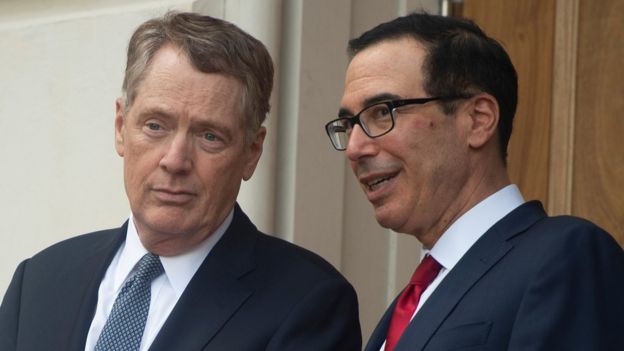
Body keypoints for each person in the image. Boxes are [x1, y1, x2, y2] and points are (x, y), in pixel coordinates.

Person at [0, 12, 361, 351]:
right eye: (155, 125)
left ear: (252, 152)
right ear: (120, 128)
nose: (175, 161)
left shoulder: (308, 304)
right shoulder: (39, 282)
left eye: (210, 136)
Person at [325, 12, 624, 351]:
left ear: (478, 120)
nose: (354, 148)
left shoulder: (565, 256)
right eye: (348, 124)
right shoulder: (412, 301)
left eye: (382, 111)